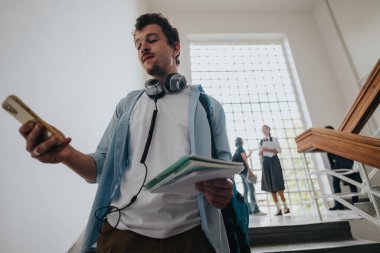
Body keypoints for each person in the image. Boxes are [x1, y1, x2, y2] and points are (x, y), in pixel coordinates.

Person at [19, 13, 234, 253]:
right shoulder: (128, 105)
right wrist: (66, 154)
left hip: (192, 236)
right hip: (122, 234)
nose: (143, 48)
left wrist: (223, 190)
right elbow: (99, 169)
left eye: (151, 40)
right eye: (138, 45)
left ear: (176, 47)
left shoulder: (208, 106)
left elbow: (223, 169)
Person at [325, 125, 362, 210]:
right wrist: (332, 168)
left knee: (352, 184)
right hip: (336, 167)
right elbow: (330, 157)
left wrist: (350, 164)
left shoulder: (340, 139)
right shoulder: (327, 142)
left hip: (345, 165)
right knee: (335, 184)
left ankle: (355, 203)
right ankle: (338, 204)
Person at [259, 124, 290, 216]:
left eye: (265, 129)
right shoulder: (261, 141)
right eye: (262, 129)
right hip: (266, 162)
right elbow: (261, 152)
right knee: (270, 185)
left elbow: (279, 151)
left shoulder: (275, 139)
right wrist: (261, 152)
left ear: (269, 130)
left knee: (278, 183)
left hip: (274, 161)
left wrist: (267, 149)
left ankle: (286, 207)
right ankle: (278, 209)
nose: (264, 131)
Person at [232, 137, 266, 216]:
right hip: (245, 171)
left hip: (240, 172)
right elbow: (244, 159)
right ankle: (256, 210)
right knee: (252, 189)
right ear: (241, 141)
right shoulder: (241, 148)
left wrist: (249, 154)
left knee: (246, 190)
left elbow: (243, 157)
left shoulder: (237, 150)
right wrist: (249, 169)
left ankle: (249, 210)